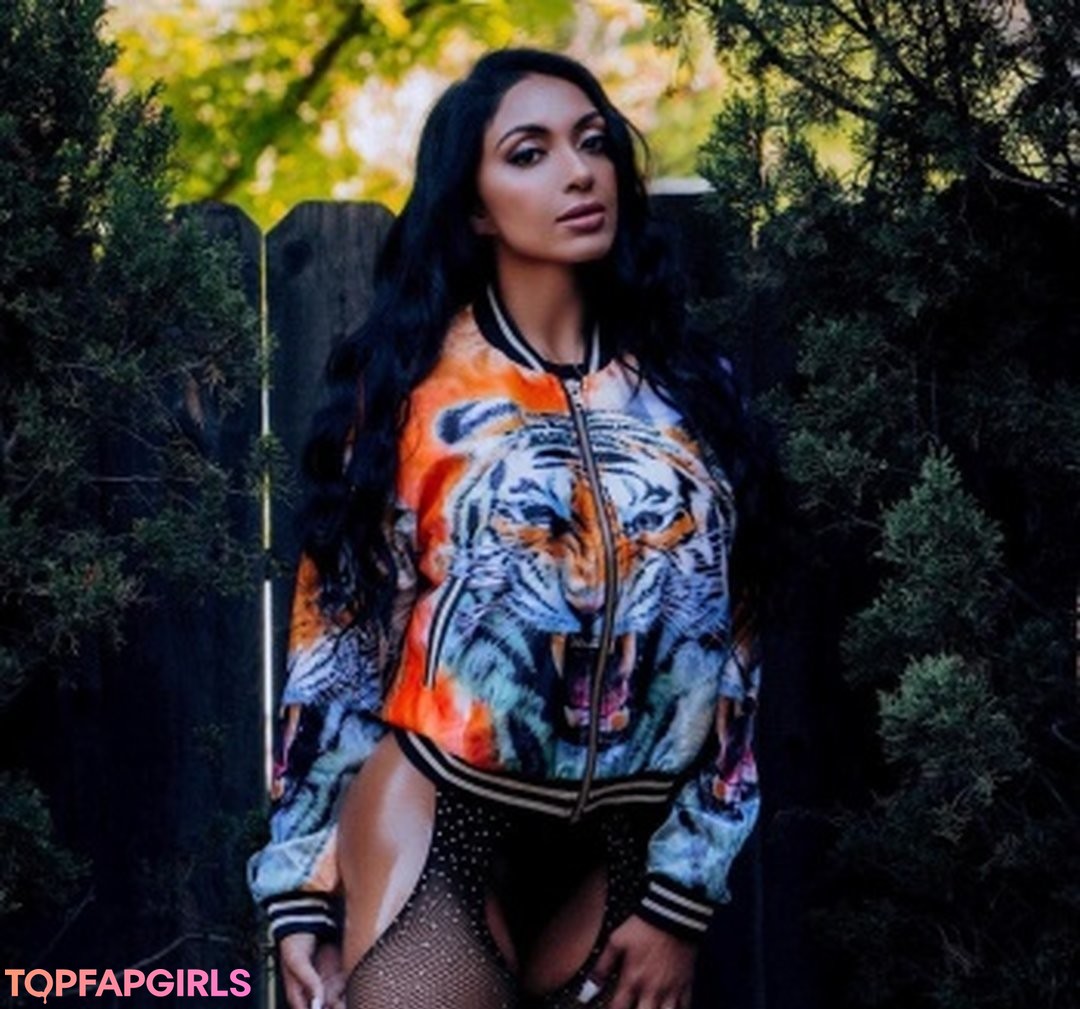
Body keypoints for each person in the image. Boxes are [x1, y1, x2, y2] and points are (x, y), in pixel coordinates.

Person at [248, 47, 767, 1009]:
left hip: (631, 842)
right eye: (529, 154)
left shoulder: (696, 392)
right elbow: (339, 646)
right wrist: (300, 889)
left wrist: (685, 891)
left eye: (593, 143)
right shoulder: (409, 390)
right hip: (441, 813)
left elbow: (737, 653)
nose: (578, 172)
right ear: (477, 206)